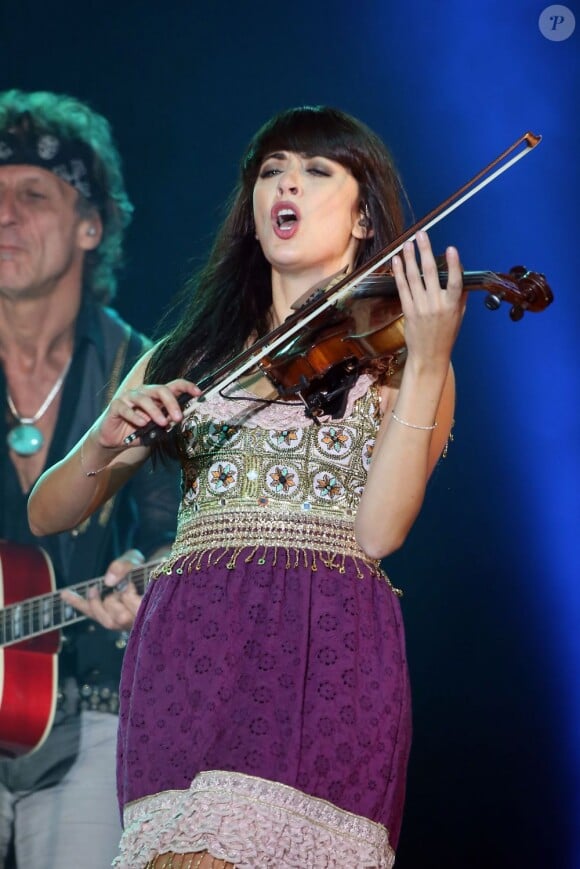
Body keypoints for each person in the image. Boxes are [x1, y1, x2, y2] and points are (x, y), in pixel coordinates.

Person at [29, 105, 466, 868]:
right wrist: (105, 435)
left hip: (319, 638)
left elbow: (379, 534)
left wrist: (429, 362)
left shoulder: (401, 354)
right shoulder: (186, 353)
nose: (285, 183)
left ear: (366, 217)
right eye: (271, 171)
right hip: (187, 641)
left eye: (316, 170)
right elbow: (50, 512)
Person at [0, 89, 179, 868]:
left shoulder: (136, 371)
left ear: (90, 225)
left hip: (88, 711)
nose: (3, 214)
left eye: (30, 195)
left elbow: (174, 530)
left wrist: (141, 574)